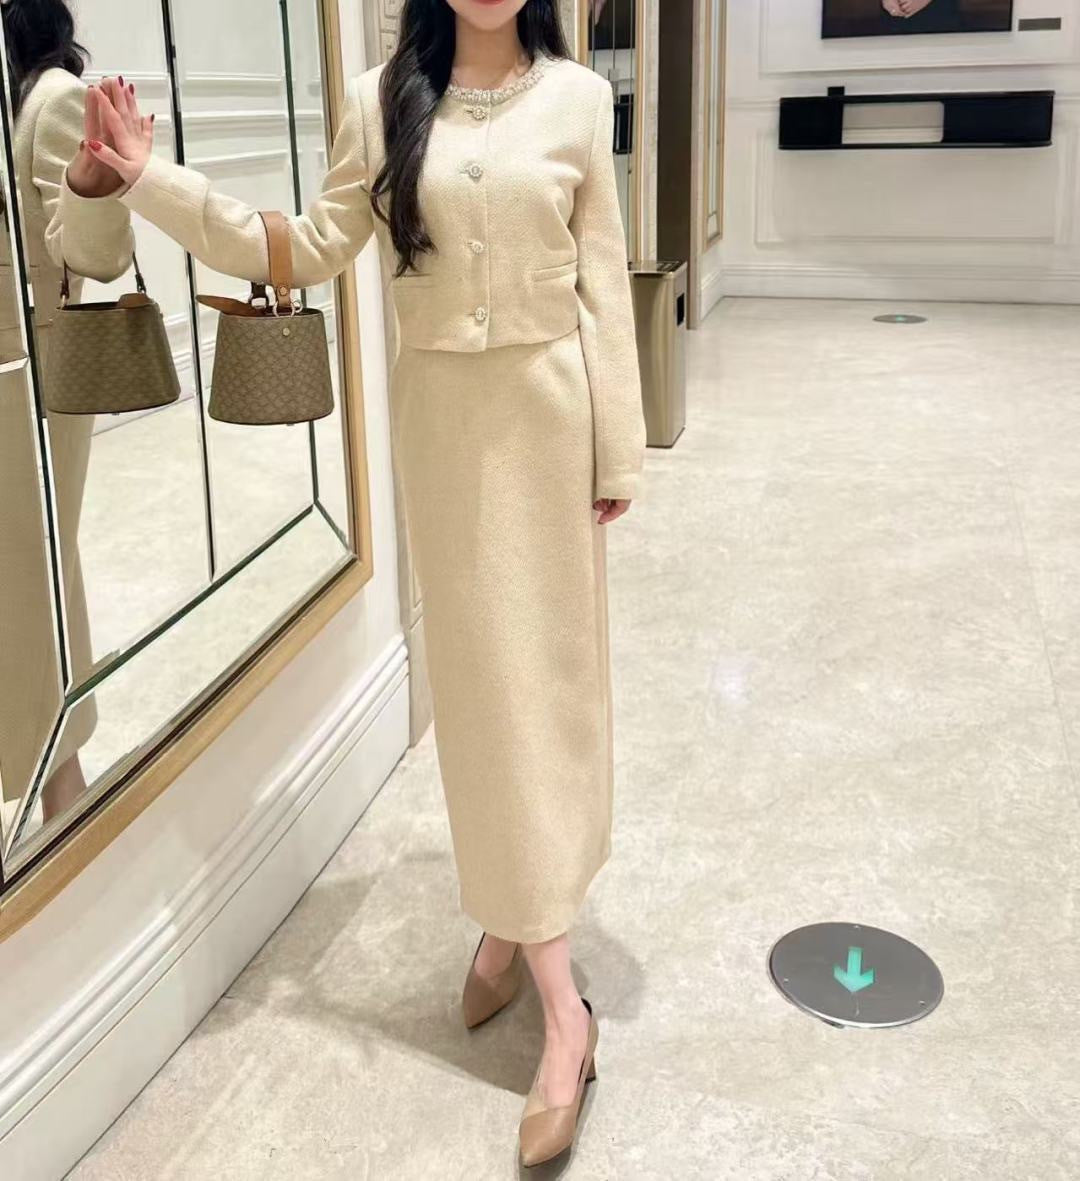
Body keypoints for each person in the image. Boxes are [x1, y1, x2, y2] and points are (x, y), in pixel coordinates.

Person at [71, 0, 645, 1165]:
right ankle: (520, 931)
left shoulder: (580, 101)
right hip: (446, 439)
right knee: (481, 703)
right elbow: (298, 247)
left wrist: (617, 452)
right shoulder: (380, 105)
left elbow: (602, 284)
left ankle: (556, 993)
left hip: (548, 433)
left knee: (548, 694)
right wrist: (148, 182)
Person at [0, 0, 133, 827]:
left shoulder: (50, 100)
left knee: (29, 572)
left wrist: (93, 188)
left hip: (32, 380)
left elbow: (98, 254)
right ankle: (62, 774)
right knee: (36, 572)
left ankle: (57, 772)